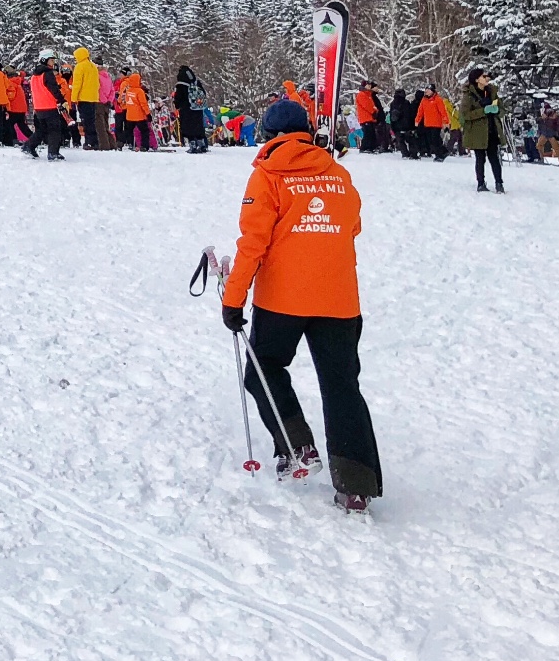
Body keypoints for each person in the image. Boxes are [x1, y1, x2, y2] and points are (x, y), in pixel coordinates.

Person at [221, 97, 383, 512]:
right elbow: (354, 224)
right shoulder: (339, 173)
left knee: (263, 371)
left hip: (284, 299)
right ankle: (356, 486)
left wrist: (233, 298)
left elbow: (252, 244)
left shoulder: (267, 176)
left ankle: (296, 447)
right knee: (342, 386)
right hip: (339, 298)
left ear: (271, 136)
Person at [458, 67, 504, 192]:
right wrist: (483, 111)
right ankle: (481, 183)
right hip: (477, 132)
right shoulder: (469, 95)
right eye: (484, 76)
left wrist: (498, 110)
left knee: (494, 158)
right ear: (477, 79)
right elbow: (465, 114)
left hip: (492, 130)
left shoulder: (491, 92)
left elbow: (502, 108)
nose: (486, 78)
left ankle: (499, 183)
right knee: (480, 159)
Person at [25, 50, 68, 160]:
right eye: (52, 60)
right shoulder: (48, 73)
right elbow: (53, 89)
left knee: (42, 130)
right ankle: (53, 153)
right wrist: (61, 99)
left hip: (39, 106)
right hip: (49, 105)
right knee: (55, 130)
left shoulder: (34, 75)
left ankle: (29, 146)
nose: (53, 62)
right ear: (45, 60)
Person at [70, 48, 106, 150]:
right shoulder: (93, 67)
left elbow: (77, 84)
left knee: (86, 121)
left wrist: (74, 98)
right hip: (93, 98)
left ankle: (89, 142)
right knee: (92, 121)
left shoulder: (80, 67)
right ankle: (94, 142)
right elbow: (97, 84)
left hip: (83, 98)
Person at [174, 66, 208, 154]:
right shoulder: (196, 82)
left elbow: (178, 97)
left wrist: (177, 105)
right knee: (198, 126)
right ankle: (202, 144)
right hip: (198, 108)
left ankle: (192, 145)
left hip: (186, 109)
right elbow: (203, 93)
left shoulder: (181, 85)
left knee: (188, 127)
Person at [114, 67, 149, 150]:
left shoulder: (125, 84)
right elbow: (143, 103)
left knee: (126, 128)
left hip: (127, 110)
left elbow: (123, 95)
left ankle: (126, 142)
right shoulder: (138, 88)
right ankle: (140, 145)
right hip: (136, 111)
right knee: (141, 129)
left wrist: (119, 102)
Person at [416, 85, 449, 160]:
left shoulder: (438, 99)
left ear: (432, 91)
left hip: (436, 124)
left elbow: (443, 111)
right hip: (427, 123)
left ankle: (439, 155)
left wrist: (446, 121)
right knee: (431, 141)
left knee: (435, 140)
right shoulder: (424, 100)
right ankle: (444, 151)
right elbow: (420, 111)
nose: (426, 92)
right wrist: (417, 120)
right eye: (426, 90)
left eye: (428, 90)